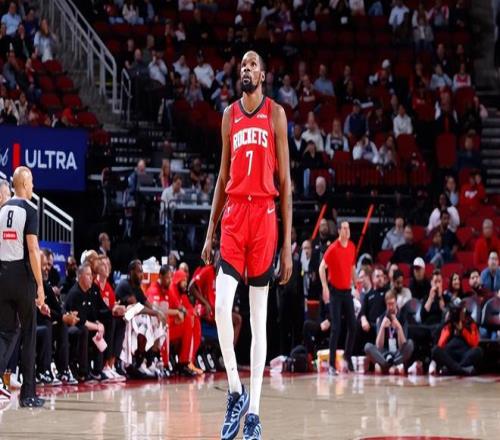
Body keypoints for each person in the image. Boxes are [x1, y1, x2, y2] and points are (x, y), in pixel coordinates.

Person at [201, 51, 292, 440]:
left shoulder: (276, 114)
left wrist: (287, 245)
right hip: (235, 215)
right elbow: (223, 176)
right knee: (221, 307)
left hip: (265, 217)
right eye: (243, 65)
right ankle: (235, 391)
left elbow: (285, 181)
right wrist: (210, 230)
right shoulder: (229, 115)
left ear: (263, 75)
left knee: (258, 319)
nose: (246, 68)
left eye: (253, 64)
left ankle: (254, 412)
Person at [0, 166, 46, 407]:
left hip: (2, 275)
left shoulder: (1, 209)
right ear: (25, 185)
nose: (34, 186)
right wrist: (40, 286)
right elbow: (33, 249)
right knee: (28, 333)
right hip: (22, 276)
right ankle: (28, 395)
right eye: (32, 182)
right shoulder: (30, 209)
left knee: (4, 333)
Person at [319, 221, 357, 375]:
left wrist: (356, 285)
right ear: (340, 230)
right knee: (336, 328)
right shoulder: (333, 248)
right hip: (335, 292)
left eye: (349, 228)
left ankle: (347, 355)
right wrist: (325, 287)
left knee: (353, 325)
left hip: (347, 292)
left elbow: (352, 267)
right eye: (345, 228)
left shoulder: (352, 246)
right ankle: (331, 365)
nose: (347, 231)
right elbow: (321, 267)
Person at [189, 264, 242, 346]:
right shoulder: (208, 270)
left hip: (217, 311)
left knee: (237, 319)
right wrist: (205, 303)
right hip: (205, 308)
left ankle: (228, 350)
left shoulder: (224, 276)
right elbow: (191, 287)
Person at [364, 290, 414, 374]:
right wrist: (382, 327)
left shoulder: (402, 318)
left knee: (410, 344)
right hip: (384, 353)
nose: (390, 307)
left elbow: (403, 345)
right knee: (367, 347)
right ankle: (392, 366)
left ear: (396, 302)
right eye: (388, 304)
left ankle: (386, 366)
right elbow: (379, 346)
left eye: (392, 304)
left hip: (398, 352)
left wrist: (399, 327)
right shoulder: (381, 318)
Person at [431, 301, 482, 375]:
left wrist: (462, 330)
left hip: (464, 354)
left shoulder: (470, 323)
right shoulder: (449, 324)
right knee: (435, 350)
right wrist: (449, 326)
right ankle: (461, 370)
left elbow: (474, 343)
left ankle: (453, 369)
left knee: (478, 351)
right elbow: (441, 344)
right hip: (450, 355)